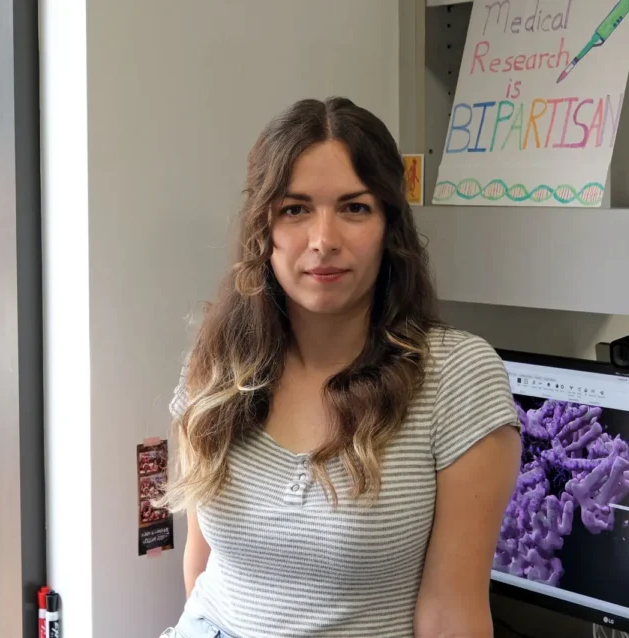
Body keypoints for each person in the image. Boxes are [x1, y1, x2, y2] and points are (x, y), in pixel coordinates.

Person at [159, 97, 521, 638]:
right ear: (265, 229)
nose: (323, 241)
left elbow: (452, 615)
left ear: (389, 228)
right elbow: (203, 565)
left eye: (354, 208)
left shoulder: (457, 377)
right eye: (295, 209)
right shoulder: (218, 363)